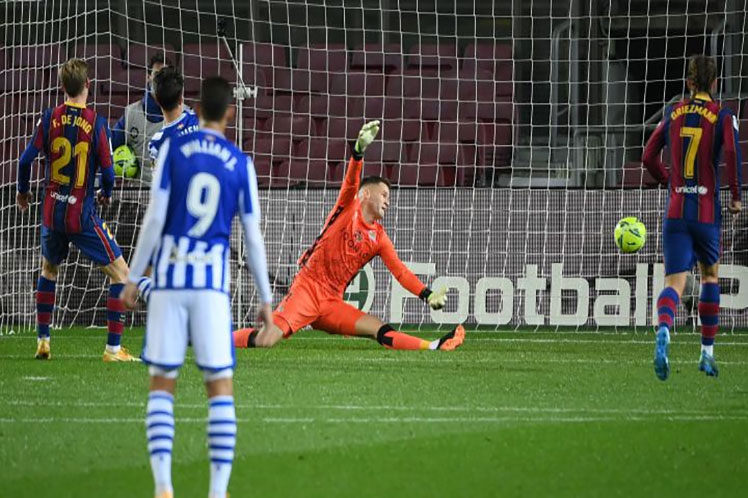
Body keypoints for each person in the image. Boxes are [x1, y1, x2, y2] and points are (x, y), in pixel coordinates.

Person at [121, 77, 273, 498]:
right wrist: (265, 299)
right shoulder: (240, 163)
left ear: (198, 109)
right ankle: (218, 492)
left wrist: (134, 277)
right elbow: (253, 237)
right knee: (219, 387)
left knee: (162, 383)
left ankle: (163, 486)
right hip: (210, 288)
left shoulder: (172, 149)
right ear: (229, 113)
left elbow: (154, 219)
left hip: (169, 282)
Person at [233, 119, 465, 352]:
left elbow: (400, 272)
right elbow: (351, 180)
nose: (388, 201)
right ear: (366, 194)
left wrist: (427, 295)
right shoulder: (347, 207)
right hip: (308, 289)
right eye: (384, 194)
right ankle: (218, 339)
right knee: (268, 338)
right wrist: (358, 152)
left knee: (376, 327)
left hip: (332, 302)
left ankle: (433, 346)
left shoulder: (379, 238)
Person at [16, 58, 138, 362]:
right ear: (88, 85)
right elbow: (108, 174)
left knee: (49, 269)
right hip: (81, 215)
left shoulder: (49, 118)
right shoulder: (96, 123)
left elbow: (24, 161)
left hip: (52, 213)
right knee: (121, 274)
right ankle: (113, 350)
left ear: (62, 87)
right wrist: (106, 194)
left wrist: (22, 191)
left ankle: (43, 341)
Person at [642, 54, 743, 380]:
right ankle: (706, 354)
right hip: (706, 212)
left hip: (676, 211)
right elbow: (732, 153)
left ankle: (664, 330)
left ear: (688, 82)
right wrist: (736, 196)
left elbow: (647, 156)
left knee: (674, 282)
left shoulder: (673, 112)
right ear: (715, 83)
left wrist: (667, 179)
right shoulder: (723, 115)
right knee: (710, 277)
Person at [135, 65, 200, 302]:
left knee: (146, 278)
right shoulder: (199, 121)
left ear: (155, 100)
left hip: (175, 221)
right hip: (205, 215)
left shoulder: (157, 143)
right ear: (182, 96)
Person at [111, 53, 170, 182]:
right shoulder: (132, 113)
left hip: (173, 192)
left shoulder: (185, 116)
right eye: (157, 75)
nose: (161, 80)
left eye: (165, 75)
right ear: (148, 77)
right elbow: (109, 148)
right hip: (139, 192)